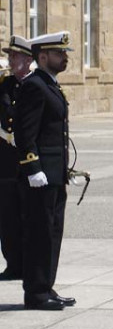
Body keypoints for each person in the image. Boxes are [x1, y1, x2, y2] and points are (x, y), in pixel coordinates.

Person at [15, 31, 77, 310]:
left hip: (54, 174)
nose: (65, 58)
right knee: (39, 234)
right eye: (59, 54)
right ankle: (35, 293)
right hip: (39, 177)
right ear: (42, 57)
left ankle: (46, 286)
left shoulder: (50, 84)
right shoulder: (34, 86)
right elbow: (25, 133)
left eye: (65, 54)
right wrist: (32, 168)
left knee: (52, 233)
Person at [0, 36, 32, 281]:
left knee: (30, 216)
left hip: (30, 161)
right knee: (8, 217)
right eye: (9, 56)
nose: (10, 60)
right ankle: (13, 265)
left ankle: (31, 264)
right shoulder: (4, 84)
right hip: (7, 162)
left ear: (28, 59)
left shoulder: (36, 85)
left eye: (14, 56)